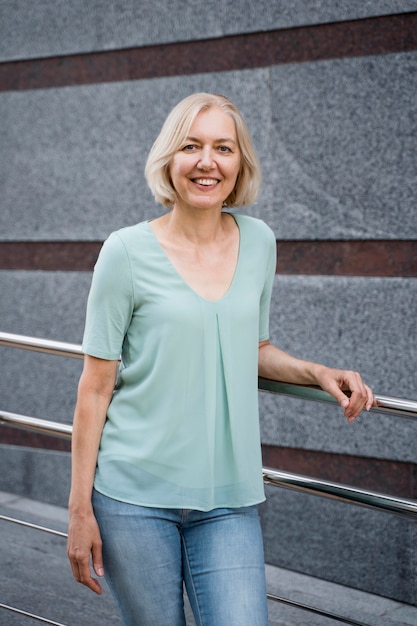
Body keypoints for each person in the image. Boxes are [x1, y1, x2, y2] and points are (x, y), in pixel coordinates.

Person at [67, 92, 376, 626]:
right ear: (170, 159)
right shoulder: (124, 253)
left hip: (227, 500)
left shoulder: (258, 242)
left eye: (223, 148)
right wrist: (78, 512)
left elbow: (252, 348)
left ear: (240, 164)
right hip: (132, 499)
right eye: (191, 145)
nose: (207, 161)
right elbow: (95, 388)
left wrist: (318, 373)